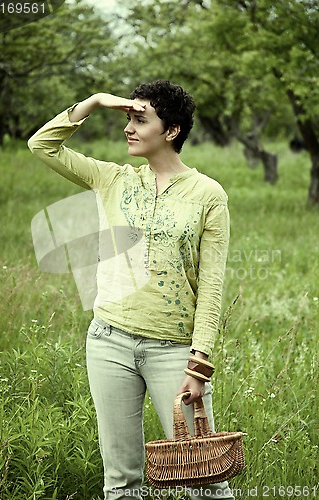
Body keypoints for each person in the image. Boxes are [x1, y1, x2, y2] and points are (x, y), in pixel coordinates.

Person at [28, 80, 234, 500]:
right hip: (109, 343)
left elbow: (212, 283)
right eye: (128, 118)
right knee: (120, 484)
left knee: (207, 483)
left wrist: (198, 363)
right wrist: (94, 102)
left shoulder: (208, 195)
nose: (129, 128)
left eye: (141, 119)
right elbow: (41, 145)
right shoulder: (113, 179)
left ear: (171, 130)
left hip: (173, 352)